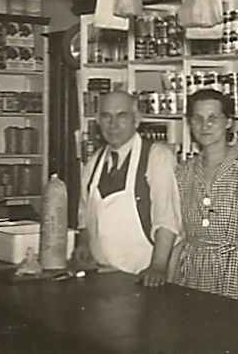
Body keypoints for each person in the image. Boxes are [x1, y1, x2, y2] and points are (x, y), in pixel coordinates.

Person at [73, 91, 181, 287]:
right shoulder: (94, 162)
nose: (113, 124)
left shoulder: (157, 157)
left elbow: (167, 220)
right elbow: (84, 213)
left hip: (142, 278)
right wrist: (83, 243)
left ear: (137, 119)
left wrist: (157, 267)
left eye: (122, 116)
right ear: (97, 120)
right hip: (101, 275)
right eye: (106, 116)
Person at [173, 90, 238, 304]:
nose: (204, 125)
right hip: (190, 272)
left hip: (234, 273)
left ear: (229, 122)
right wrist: (169, 283)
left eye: (213, 118)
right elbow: (178, 235)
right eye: (197, 119)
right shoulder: (183, 171)